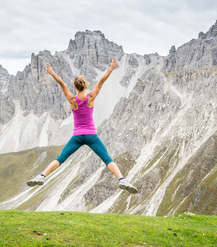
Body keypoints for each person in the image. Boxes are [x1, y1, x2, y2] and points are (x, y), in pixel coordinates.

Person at [26, 58, 138, 194]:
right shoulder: (90, 97)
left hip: (77, 136)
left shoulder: (72, 99)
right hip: (91, 135)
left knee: (61, 158)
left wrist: (52, 72)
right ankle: (122, 179)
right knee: (107, 158)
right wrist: (111, 68)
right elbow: (101, 81)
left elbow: (61, 84)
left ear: (74, 87)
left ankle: (42, 176)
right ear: (85, 86)